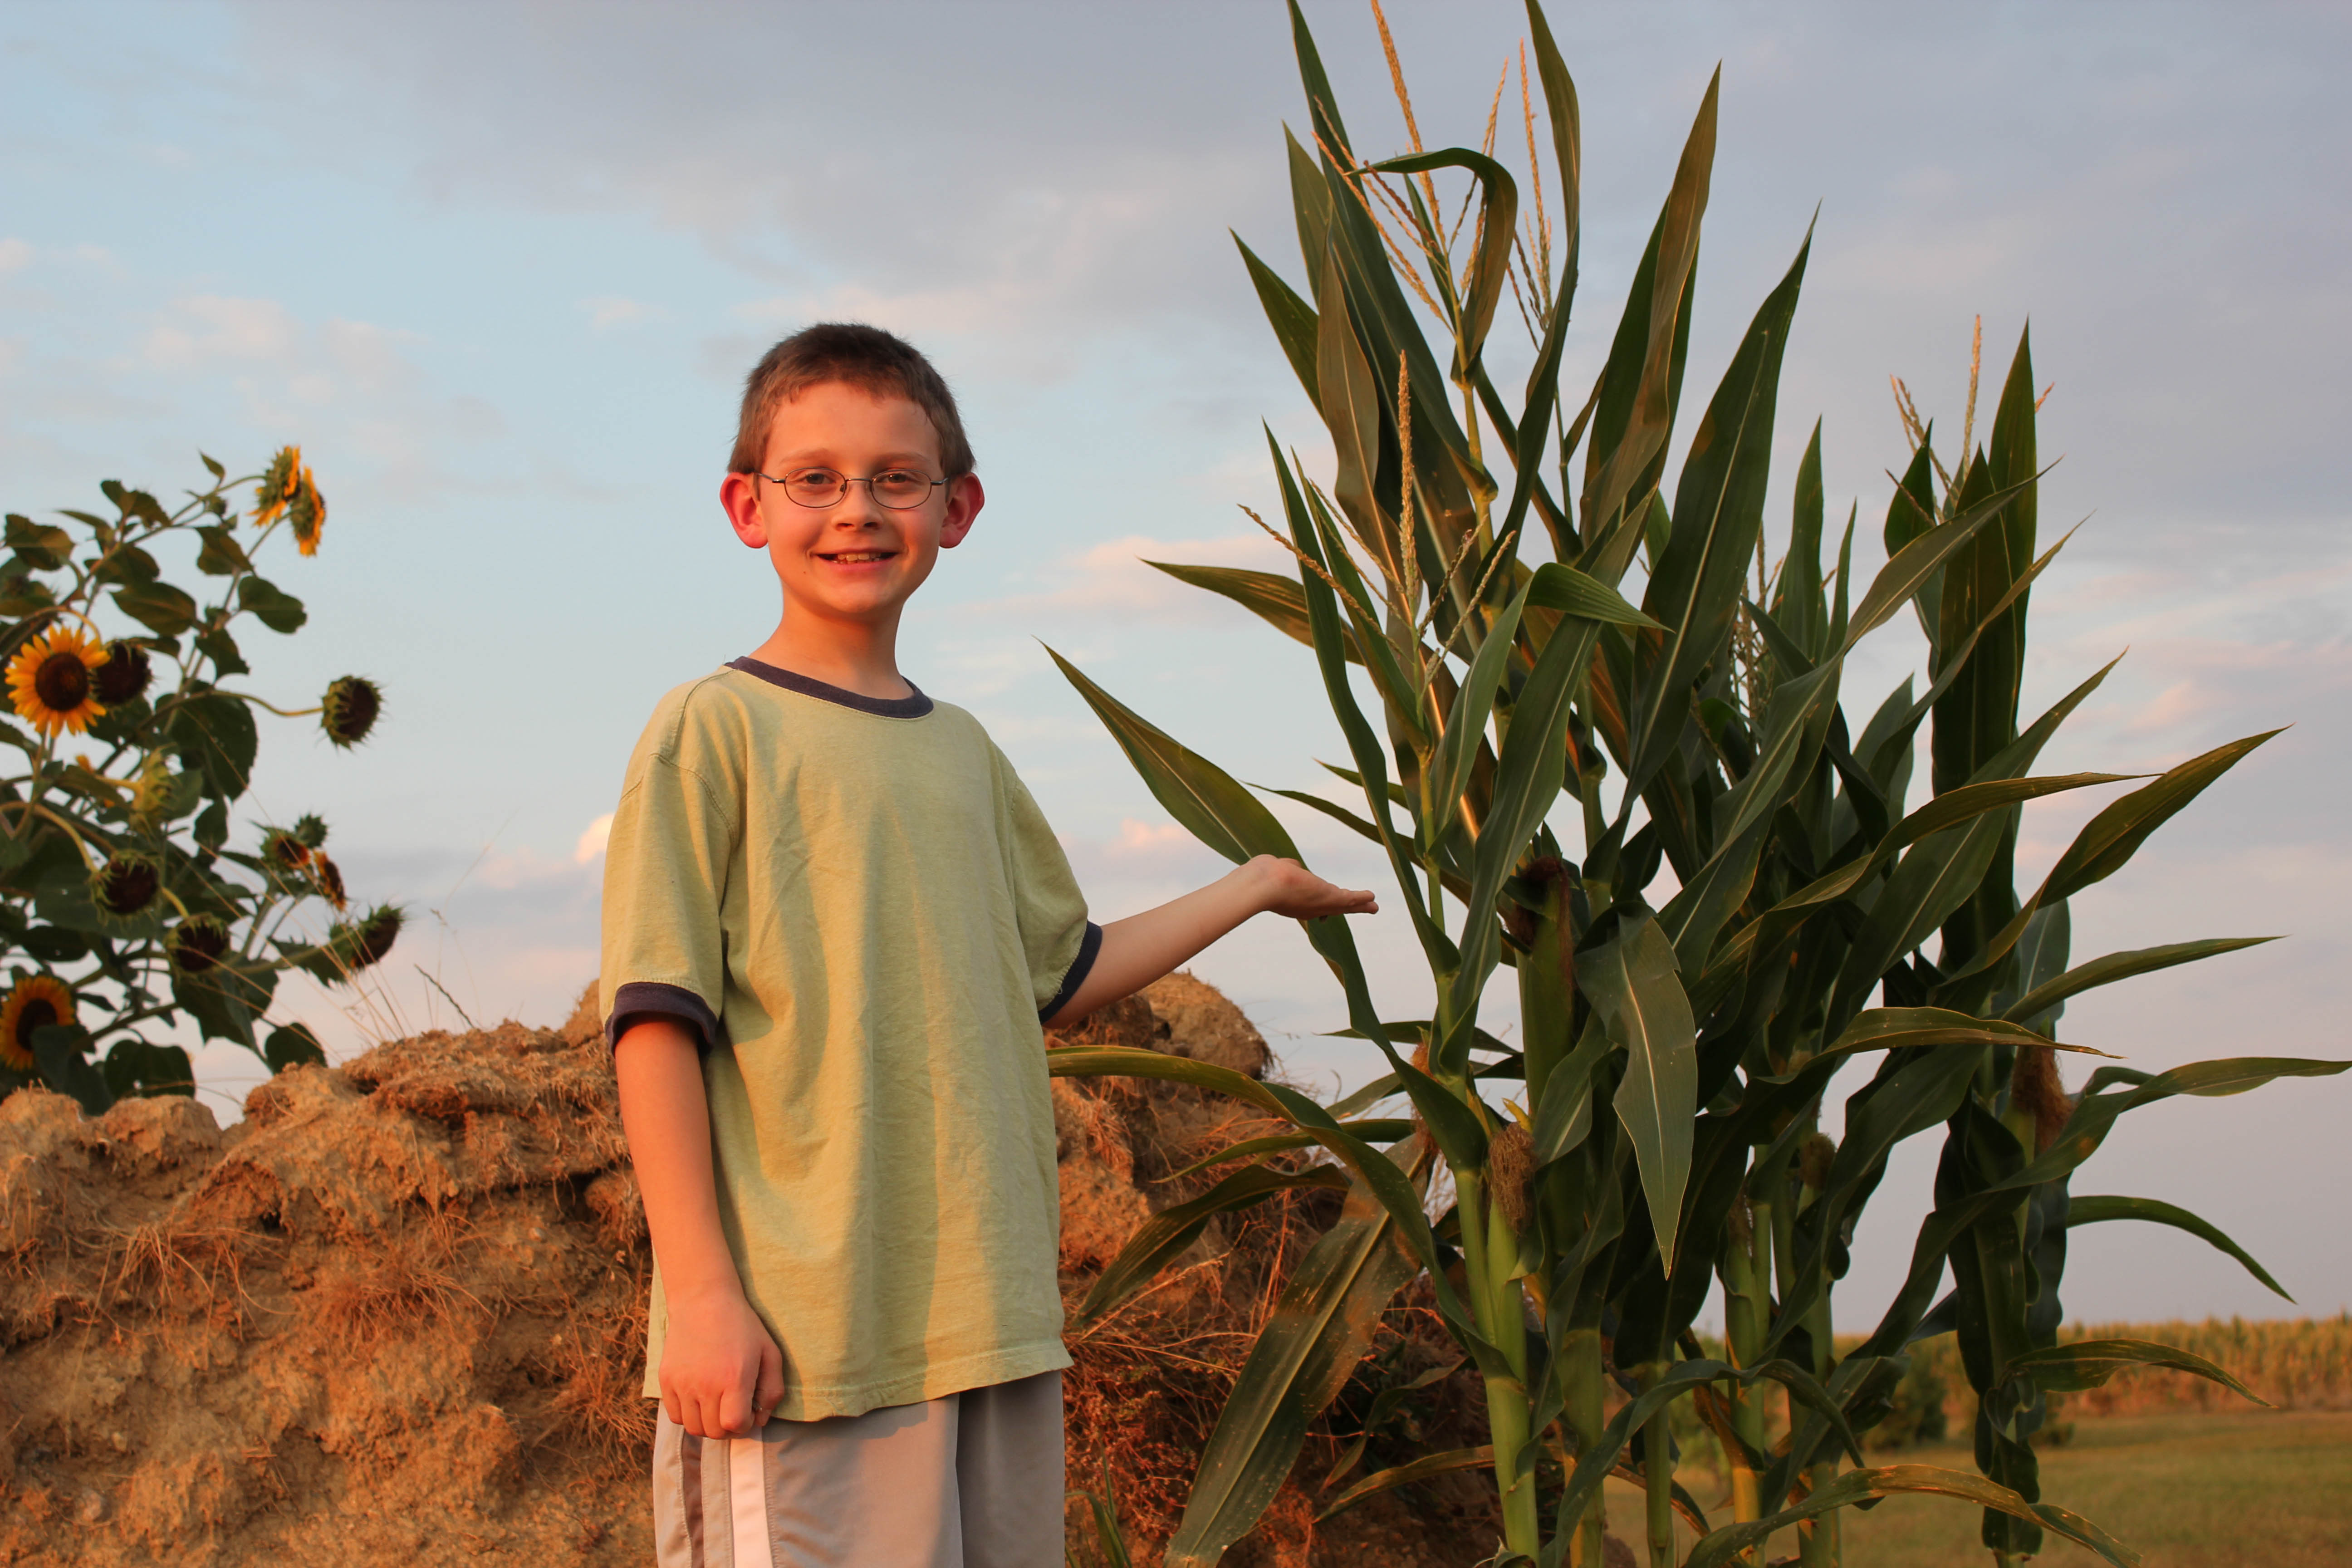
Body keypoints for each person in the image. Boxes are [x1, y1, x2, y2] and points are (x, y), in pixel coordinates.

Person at [599, 322, 1377, 1568]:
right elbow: (655, 1021)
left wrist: (1254, 884)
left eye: (896, 479)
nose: (857, 510)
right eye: (816, 479)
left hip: (990, 1327)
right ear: (749, 507)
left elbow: (1059, 976)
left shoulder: (965, 752)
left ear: (956, 509)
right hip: (809, 1341)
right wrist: (700, 1296)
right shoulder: (715, 728)